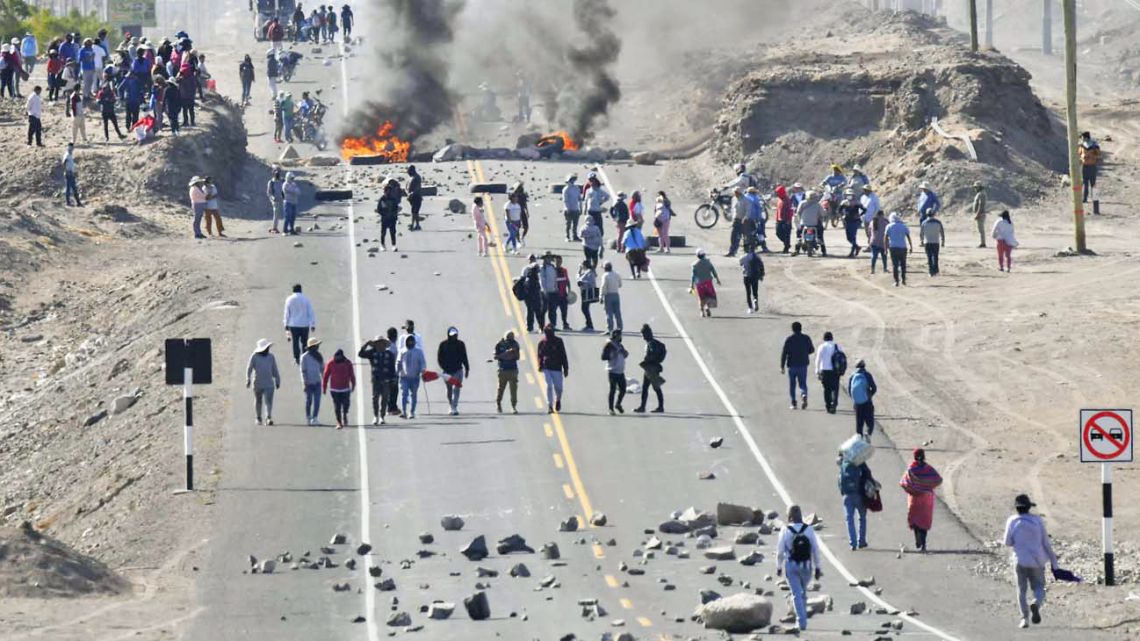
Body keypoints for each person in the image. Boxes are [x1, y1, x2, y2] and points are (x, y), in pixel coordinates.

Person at [1003, 494, 1060, 629]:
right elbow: (1045, 542)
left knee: (1021, 590)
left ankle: (1024, 619)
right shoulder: (1037, 521)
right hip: (1037, 560)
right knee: (1039, 587)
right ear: (1029, 508)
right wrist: (1053, 561)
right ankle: (1036, 602)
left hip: (1020, 560)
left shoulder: (1012, 520)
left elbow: (1007, 542)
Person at [776, 504, 822, 632]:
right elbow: (815, 550)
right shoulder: (809, 529)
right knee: (803, 593)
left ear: (789, 516)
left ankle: (801, 622)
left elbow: (780, 551)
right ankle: (802, 618)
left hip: (791, 565)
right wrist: (818, 567)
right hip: (806, 566)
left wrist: (779, 567)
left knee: (796, 594)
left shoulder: (785, 530)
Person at [900, 448, 942, 552]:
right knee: (924, 521)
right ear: (924, 456)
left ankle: (917, 540)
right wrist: (927, 487)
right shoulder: (929, 469)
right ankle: (923, 544)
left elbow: (903, 482)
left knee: (915, 520)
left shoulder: (911, 469)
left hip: (915, 499)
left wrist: (914, 489)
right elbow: (938, 479)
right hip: (927, 499)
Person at [838, 454, 874, 550]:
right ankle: (861, 541)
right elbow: (868, 474)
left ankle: (852, 543)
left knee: (849, 519)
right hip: (858, 494)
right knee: (862, 517)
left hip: (847, 495)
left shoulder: (844, 463)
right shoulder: (859, 461)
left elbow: (840, 480)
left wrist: (843, 492)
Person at [358, 336, 396, 425]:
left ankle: (382, 417)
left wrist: (393, 379)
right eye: (378, 343)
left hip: (386, 380)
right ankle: (375, 416)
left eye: (382, 343)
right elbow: (360, 354)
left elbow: (392, 368)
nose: (380, 345)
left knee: (385, 398)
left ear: (385, 344)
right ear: (375, 345)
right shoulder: (372, 353)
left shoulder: (389, 354)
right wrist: (366, 344)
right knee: (375, 398)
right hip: (376, 379)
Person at [246, 338, 281, 426]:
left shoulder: (271, 357)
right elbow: (249, 368)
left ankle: (268, 417)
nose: (267, 349)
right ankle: (258, 417)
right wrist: (248, 379)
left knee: (268, 401)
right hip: (258, 383)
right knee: (258, 400)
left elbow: (274, 369)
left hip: (269, 383)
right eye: (266, 348)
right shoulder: (254, 357)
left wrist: (277, 380)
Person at [780, 322, 814, 410]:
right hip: (803, 364)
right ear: (801, 328)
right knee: (803, 383)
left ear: (792, 329)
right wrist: (805, 353)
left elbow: (784, 353)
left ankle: (793, 403)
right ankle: (803, 394)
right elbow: (812, 349)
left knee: (792, 384)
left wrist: (782, 366)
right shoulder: (806, 338)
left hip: (792, 365)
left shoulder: (789, 339)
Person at [437, 327, 470, 416]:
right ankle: (450, 404)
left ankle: (454, 406)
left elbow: (464, 357)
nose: (454, 336)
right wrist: (444, 367)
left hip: (458, 370)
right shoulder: (443, 345)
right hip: (447, 371)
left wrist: (467, 369)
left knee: (457, 389)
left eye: (455, 335)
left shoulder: (461, 344)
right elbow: (440, 359)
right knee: (449, 389)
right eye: (452, 335)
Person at [634, 324, 666, 413]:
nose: (643, 336)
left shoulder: (651, 344)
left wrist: (647, 360)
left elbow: (652, 354)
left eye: (643, 334)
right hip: (651, 368)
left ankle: (654, 407)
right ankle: (655, 406)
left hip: (651, 368)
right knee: (651, 387)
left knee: (653, 388)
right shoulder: (653, 342)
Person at [537, 324, 569, 413]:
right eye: (547, 332)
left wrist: (566, 368)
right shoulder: (542, 342)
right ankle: (550, 405)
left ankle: (558, 400)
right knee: (549, 386)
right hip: (546, 367)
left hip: (557, 367)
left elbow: (563, 355)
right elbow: (540, 355)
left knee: (559, 388)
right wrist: (540, 365)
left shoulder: (559, 341)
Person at [321, 348, 355, 429]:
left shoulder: (348, 363)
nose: (337, 358)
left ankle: (345, 414)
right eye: (336, 357)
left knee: (346, 404)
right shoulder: (330, 363)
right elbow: (325, 376)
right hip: (334, 389)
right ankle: (339, 422)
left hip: (345, 388)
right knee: (337, 406)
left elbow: (352, 375)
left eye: (339, 357)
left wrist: (353, 384)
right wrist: (324, 387)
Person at [283, 284, 317, 364]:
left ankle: (297, 357)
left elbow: (287, 313)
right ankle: (304, 356)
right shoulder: (306, 299)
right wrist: (312, 324)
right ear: (301, 290)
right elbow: (310, 312)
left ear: (293, 290)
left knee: (295, 342)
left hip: (293, 324)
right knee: (305, 342)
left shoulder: (289, 299)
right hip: (304, 324)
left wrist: (285, 324)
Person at [397, 335, 426, 419]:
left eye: (411, 341)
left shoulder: (419, 352)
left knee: (414, 394)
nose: (410, 343)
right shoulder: (402, 351)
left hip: (415, 377)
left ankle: (412, 412)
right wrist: (397, 371)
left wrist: (423, 370)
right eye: (408, 341)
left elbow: (423, 363)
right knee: (404, 394)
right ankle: (404, 411)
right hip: (404, 377)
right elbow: (398, 362)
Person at [848, 360, 878, 438]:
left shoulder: (852, 376)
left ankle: (859, 440)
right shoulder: (867, 375)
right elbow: (874, 388)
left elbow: (849, 390)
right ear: (864, 366)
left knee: (859, 423)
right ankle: (868, 434)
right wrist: (869, 395)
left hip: (857, 403)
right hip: (867, 402)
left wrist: (855, 398)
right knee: (870, 422)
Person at [815, 331, 841, 414]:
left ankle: (828, 406)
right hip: (835, 371)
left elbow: (818, 359)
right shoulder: (837, 346)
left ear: (824, 338)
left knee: (827, 389)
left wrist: (817, 370)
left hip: (825, 371)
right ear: (832, 338)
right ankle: (834, 404)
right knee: (835, 389)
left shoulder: (822, 347)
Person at [494, 330, 520, 413]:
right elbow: (496, 356)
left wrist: (509, 355)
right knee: (500, 389)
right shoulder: (499, 344)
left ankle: (513, 406)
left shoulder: (515, 344)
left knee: (513, 389)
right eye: (509, 338)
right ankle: (498, 404)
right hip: (502, 370)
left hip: (513, 369)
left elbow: (517, 356)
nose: (510, 340)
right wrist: (506, 354)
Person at [602, 330, 628, 415]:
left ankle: (618, 404)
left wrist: (624, 353)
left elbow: (625, 354)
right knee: (612, 390)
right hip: (612, 370)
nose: (620, 337)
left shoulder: (620, 345)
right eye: (619, 335)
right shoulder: (609, 345)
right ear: (615, 335)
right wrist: (612, 355)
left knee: (623, 389)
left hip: (620, 371)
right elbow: (603, 356)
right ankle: (611, 408)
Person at [793, 190, 826, 256]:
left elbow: (798, 212)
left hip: (803, 224)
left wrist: (800, 220)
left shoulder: (802, 203)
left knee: (798, 236)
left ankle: (797, 249)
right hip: (815, 225)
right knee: (820, 236)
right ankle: (823, 251)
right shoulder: (818, 205)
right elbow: (822, 214)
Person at [689, 249, 720, 318]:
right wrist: (717, 279)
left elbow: (693, 276)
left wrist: (691, 285)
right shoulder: (708, 262)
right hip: (708, 282)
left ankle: (702, 311)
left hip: (699, 284)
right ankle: (707, 308)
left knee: (701, 298)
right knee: (709, 296)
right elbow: (713, 271)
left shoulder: (694, 265)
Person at [300, 337, 324, 425]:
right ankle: (308, 417)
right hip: (308, 383)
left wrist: (324, 380)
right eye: (316, 346)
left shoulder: (319, 356)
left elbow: (322, 369)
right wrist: (304, 382)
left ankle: (315, 418)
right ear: (312, 347)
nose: (317, 347)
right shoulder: (304, 357)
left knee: (317, 401)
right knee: (309, 400)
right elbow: (303, 371)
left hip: (317, 382)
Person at [884, 212, 913, 287]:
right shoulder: (904, 226)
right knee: (903, 264)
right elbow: (908, 236)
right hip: (903, 247)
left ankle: (896, 281)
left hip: (893, 247)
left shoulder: (889, 226)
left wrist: (885, 248)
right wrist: (911, 246)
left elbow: (885, 238)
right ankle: (903, 280)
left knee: (895, 265)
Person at [520, 255, 544, 332]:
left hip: (529, 292)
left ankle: (530, 327)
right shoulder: (538, 268)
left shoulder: (526, 268)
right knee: (537, 310)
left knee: (530, 310)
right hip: (535, 292)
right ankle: (540, 326)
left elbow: (522, 280)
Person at [839, 188, 865, 257]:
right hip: (847, 221)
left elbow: (864, 210)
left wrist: (859, 215)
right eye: (848, 195)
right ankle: (857, 247)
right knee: (848, 238)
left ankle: (852, 252)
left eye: (850, 195)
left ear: (853, 195)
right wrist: (842, 216)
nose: (849, 196)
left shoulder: (857, 202)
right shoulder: (844, 202)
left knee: (853, 237)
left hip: (855, 221)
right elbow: (839, 210)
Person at [538, 252, 562, 329]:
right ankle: (541, 326)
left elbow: (555, 279)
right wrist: (544, 290)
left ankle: (553, 325)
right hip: (545, 292)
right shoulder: (542, 268)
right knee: (543, 310)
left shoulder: (552, 267)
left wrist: (556, 288)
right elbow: (541, 280)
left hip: (553, 291)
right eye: (548, 258)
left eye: (550, 258)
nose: (549, 259)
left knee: (553, 310)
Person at [739, 244, 765, 314]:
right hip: (755, 276)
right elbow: (761, 266)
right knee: (755, 291)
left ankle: (750, 308)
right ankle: (755, 300)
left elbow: (741, 263)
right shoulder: (757, 257)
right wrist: (762, 275)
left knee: (748, 292)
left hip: (746, 276)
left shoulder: (744, 257)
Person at [919, 210, 945, 276]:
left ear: (927, 214)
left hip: (927, 242)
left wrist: (921, 241)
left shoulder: (924, 223)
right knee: (935, 257)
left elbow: (921, 233)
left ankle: (931, 271)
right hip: (936, 242)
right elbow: (942, 232)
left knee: (929, 257)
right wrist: (943, 241)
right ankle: (936, 271)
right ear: (934, 214)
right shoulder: (938, 222)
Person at [377, 178, 400, 250]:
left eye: (389, 191)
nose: (388, 193)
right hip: (384, 218)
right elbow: (379, 209)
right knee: (383, 232)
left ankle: (393, 245)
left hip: (392, 218)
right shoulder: (382, 199)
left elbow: (396, 208)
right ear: (385, 191)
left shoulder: (393, 199)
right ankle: (382, 245)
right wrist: (383, 214)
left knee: (392, 232)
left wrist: (394, 215)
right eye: (387, 191)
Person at [1078, 131, 1100, 205]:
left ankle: (1095, 199)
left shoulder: (1094, 145)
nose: (1082, 139)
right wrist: (1082, 157)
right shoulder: (1082, 146)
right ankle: (1085, 198)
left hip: (1092, 166)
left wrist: (1093, 155)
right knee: (1085, 183)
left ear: (1086, 137)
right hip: (1085, 166)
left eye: (1083, 137)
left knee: (1093, 184)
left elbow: (1099, 154)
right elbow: (1079, 154)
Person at [725, 187, 747, 257]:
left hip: (743, 220)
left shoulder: (745, 199)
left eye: (736, 192)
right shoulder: (734, 199)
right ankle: (732, 251)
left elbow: (747, 210)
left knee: (743, 237)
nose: (735, 194)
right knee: (733, 237)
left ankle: (746, 252)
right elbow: (733, 210)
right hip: (735, 220)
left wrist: (745, 218)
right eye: (735, 192)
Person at [601, 261, 622, 333]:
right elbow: (620, 284)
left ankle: (610, 329)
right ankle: (620, 327)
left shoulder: (605, 275)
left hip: (608, 295)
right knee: (617, 313)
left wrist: (601, 296)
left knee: (609, 313)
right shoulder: (617, 274)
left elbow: (603, 286)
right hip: (616, 294)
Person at [577, 260, 598, 332]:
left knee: (584, 308)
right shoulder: (585, 272)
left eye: (582, 265)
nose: (581, 267)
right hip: (584, 292)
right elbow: (577, 278)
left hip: (587, 292)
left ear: (584, 265)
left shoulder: (590, 272)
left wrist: (583, 282)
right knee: (584, 308)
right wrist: (579, 270)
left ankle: (590, 325)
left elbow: (592, 283)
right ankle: (588, 324)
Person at [774, 184, 795, 253]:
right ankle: (787, 244)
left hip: (786, 220)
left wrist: (789, 220)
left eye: (778, 193)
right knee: (778, 233)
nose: (777, 194)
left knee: (786, 235)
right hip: (779, 220)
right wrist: (776, 218)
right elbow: (778, 210)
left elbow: (790, 211)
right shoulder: (779, 199)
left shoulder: (787, 200)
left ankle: (786, 247)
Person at [563, 173, 582, 241]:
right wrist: (567, 208)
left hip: (575, 208)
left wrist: (580, 208)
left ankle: (575, 236)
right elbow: (565, 200)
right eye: (571, 180)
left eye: (573, 180)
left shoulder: (576, 188)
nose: (572, 182)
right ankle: (567, 236)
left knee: (575, 224)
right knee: (568, 224)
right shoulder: (566, 189)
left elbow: (579, 199)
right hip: (568, 209)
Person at [867, 208, 887, 274]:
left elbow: (869, 232)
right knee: (884, 256)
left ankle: (872, 269)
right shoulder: (885, 222)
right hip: (883, 242)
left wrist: (869, 240)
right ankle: (885, 268)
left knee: (874, 256)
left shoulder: (872, 222)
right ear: (882, 214)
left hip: (874, 241)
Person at [554, 256, 571, 331]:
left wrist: (569, 290)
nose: (558, 263)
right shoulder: (552, 270)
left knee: (564, 310)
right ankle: (553, 324)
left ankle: (565, 324)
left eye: (559, 261)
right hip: (555, 294)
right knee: (553, 310)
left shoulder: (564, 270)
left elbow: (567, 280)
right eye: (557, 261)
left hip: (563, 294)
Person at [266, 167, 284, 233]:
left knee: (279, 214)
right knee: (276, 213)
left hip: (282, 199)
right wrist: (273, 198)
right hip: (275, 200)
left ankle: (276, 227)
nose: (277, 173)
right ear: (273, 173)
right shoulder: (271, 182)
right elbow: (269, 192)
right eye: (276, 172)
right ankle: (274, 228)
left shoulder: (282, 181)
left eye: (278, 172)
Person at [406, 165, 423, 231]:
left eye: (409, 171)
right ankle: (417, 225)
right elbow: (407, 187)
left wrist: (412, 193)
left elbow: (417, 187)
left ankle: (413, 225)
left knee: (414, 211)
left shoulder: (417, 177)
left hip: (417, 197)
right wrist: (408, 193)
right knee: (415, 212)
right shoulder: (410, 178)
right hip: (411, 197)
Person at [971, 181, 987, 247]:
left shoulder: (981, 194)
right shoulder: (980, 194)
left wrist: (978, 214)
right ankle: (982, 242)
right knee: (980, 229)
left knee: (981, 229)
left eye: (976, 187)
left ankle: (983, 243)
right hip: (980, 213)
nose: (975, 188)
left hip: (981, 214)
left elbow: (981, 205)